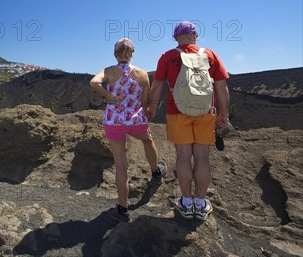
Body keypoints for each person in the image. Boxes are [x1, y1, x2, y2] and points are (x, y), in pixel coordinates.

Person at [148, 21, 230, 221]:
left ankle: (186, 203)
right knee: (202, 156)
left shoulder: (168, 57)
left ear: (176, 37)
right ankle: (200, 204)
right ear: (195, 35)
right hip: (205, 112)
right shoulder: (210, 55)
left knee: (183, 156)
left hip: (177, 111)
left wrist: (152, 108)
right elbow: (221, 87)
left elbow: (157, 85)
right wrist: (223, 115)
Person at [90, 38, 167, 222]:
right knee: (148, 141)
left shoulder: (108, 71)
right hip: (135, 120)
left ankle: (123, 210)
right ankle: (156, 171)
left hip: (114, 122)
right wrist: (146, 113)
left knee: (121, 163)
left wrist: (109, 96)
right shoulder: (142, 74)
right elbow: (145, 101)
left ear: (115, 53)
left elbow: (94, 82)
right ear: (132, 54)